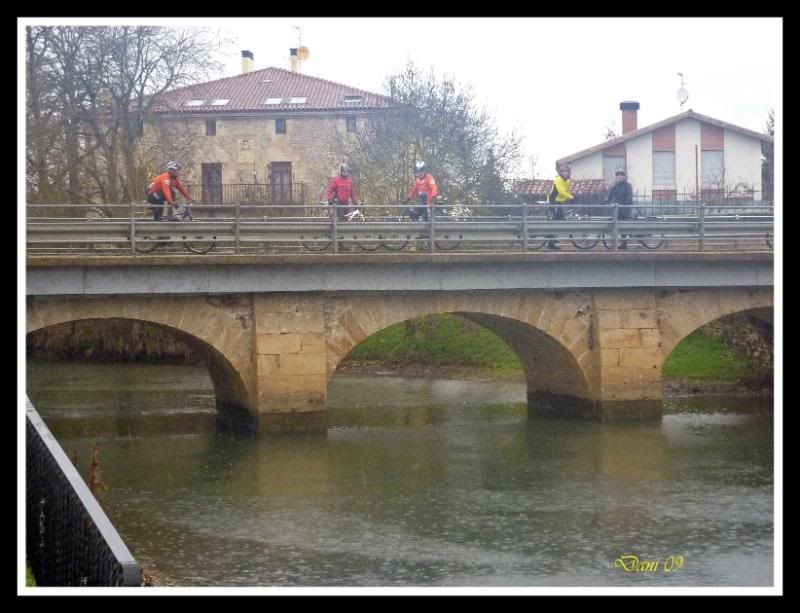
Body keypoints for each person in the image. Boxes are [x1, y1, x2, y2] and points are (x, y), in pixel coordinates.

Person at [546, 163, 575, 249]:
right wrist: (571, 197)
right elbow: (562, 192)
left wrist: (571, 198)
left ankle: (551, 238)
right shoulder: (558, 180)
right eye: (564, 172)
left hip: (559, 202)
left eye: (567, 172)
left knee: (559, 220)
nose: (566, 173)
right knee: (557, 221)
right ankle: (550, 239)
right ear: (561, 172)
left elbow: (567, 192)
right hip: (553, 202)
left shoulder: (568, 181)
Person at [605, 168, 634, 249]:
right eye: (618, 175)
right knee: (616, 225)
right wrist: (605, 201)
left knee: (623, 226)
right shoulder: (615, 186)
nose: (620, 177)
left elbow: (629, 197)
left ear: (624, 177)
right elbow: (610, 196)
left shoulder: (628, 186)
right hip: (617, 208)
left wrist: (625, 203)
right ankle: (620, 243)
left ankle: (624, 243)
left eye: (621, 175)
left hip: (624, 209)